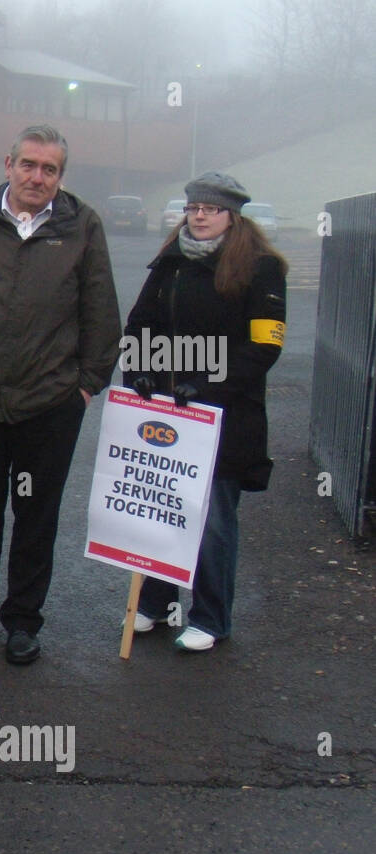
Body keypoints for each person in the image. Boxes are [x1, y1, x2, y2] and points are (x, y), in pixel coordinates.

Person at [0, 124, 120, 665]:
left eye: (50, 169)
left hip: (50, 405)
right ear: (8, 164)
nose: (38, 177)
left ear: (61, 175)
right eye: (29, 165)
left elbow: (101, 312)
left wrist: (84, 388)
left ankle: (23, 622)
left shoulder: (82, 226)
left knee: (36, 517)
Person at [123, 171, 287, 650]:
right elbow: (141, 323)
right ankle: (155, 603)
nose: (199, 216)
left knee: (213, 519)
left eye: (210, 210)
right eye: (194, 208)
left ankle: (211, 617)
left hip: (226, 414)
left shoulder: (261, 267)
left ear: (232, 216)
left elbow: (265, 345)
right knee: (162, 508)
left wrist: (211, 385)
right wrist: (140, 373)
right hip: (167, 411)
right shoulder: (170, 262)